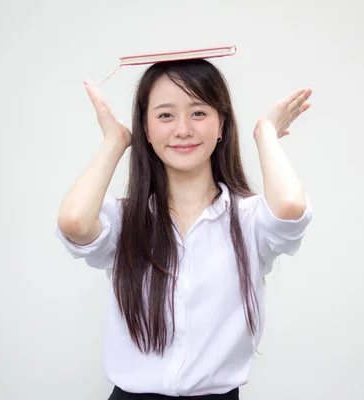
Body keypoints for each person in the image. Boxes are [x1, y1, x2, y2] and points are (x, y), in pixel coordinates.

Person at [55, 58, 313, 399]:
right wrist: (115, 141)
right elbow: (74, 222)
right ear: (146, 129)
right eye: (165, 115)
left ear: (221, 124)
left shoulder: (248, 219)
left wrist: (265, 132)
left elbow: (290, 209)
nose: (182, 130)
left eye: (198, 113)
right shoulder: (126, 219)